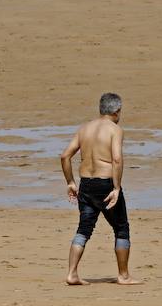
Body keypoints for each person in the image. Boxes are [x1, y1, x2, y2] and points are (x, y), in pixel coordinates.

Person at [60, 93, 141, 286]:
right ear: (116, 111)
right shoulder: (115, 130)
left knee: (84, 229)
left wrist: (71, 182)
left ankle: (72, 273)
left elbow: (65, 156)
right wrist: (116, 187)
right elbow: (117, 159)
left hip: (86, 184)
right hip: (105, 184)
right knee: (121, 228)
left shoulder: (85, 128)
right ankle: (123, 275)